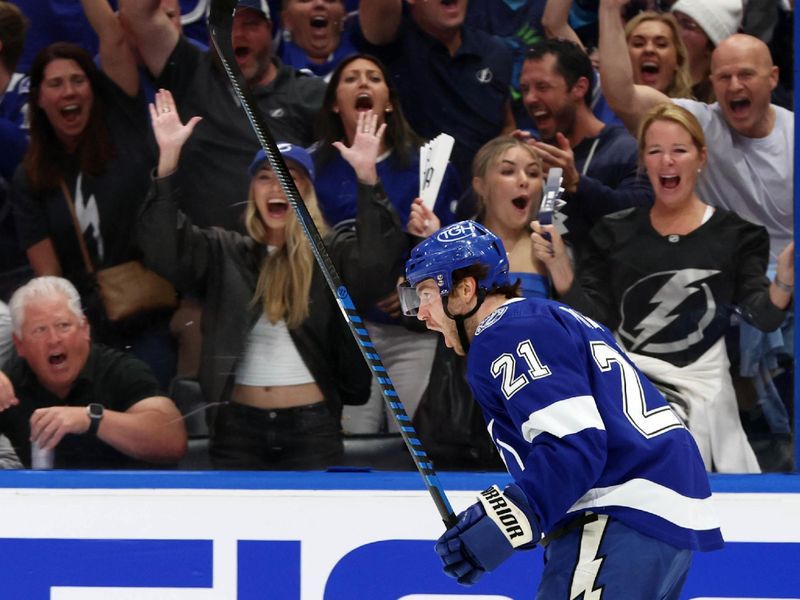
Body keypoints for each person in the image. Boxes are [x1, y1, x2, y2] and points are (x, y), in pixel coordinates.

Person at [399, 219, 723, 594]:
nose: (421, 313)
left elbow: (575, 444)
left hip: (616, 514)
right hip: (653, 522)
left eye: (425, 293)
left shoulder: (504, 332)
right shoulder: (550, 317)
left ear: (465, 290)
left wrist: (510, 517)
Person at [137, 89, 408, 468]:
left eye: (289, 178)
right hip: (237, 429)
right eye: (265, 178)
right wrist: (166, 163)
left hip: (312, 426)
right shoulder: (224, 251)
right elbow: (163, 249)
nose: (277, 187)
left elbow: (378, 267)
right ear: (252, 192)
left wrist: (367, 178)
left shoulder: (332, 254)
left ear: (309, 191)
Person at [532, 102, 793, 472]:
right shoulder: (612, 232)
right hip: (629, 387)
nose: (667, 161)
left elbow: (761, 316)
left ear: (701, 157)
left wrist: (784, 278)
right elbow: (595, 319)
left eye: (679, 151)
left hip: (706, 392)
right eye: (655, 151)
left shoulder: (738, 235)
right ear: (643, 160)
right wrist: (559, 266)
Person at [9, 41, 177, 388]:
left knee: (149, 398)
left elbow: (113, 34)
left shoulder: (125, 134)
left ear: (93, 88)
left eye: (78, 80)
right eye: (55, 84)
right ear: (38, 98)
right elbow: (49, 277)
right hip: (85, 328)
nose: (68, 91)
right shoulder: (30, 178)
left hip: (150, 314)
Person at [313, 53, 459, 434]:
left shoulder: (425, 165)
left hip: (409, 330)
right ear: (333, 101)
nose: (363, 84)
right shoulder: (313, 167)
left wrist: (412, 291)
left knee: (413, 448)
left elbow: (448, 252)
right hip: (344, 334)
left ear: (390, 100)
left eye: (374, 77)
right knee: (353, 442)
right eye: (351, 78)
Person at [599, 0, 792, 270]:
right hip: (720, 281)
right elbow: (623, 97)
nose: (735, 86)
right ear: (712, 82)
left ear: (772, 78)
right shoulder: (698, 122)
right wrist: (608, 10)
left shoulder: (792, 136)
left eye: (746, 75)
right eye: (724, 77)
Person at [120, 0, 326, 231]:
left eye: (250, 24)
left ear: (269, 29)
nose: (237, 34)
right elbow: (135, 11)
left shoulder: (306, 93)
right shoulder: (189, 71)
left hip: (282, 254)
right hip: (207, 256)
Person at [0, 276, 187, 469]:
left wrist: (92, 419)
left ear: (85, 329)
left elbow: (173, 440)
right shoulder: (12, 385)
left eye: (63, 326)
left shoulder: (120, 370)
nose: (53, 339)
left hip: (130, 495)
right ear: (19, 344)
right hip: (49, 497)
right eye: (40, 330)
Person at [517, 38, 653, 257]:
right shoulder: (536, 155)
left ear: (579, 88)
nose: (530, 99)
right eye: (524, 89)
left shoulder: (624, 149)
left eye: (542, 87)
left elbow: (640, 216)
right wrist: (503, 166)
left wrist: (577, 183)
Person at [357, 0, 515, 186]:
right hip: (412, 196)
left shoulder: (495, 53)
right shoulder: (391, 42)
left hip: (481, 195)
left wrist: (510, 149)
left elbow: (507, 125)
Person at [670, 0, 743, 103]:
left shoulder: (724, 103)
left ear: (711, 46)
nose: (674, 30)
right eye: (673, 22)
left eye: (687, 25)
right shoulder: (660, 81)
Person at [277, 0, 359, 78]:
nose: (319, 4)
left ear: (343, 15)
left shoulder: (361, 49)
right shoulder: (276, 57)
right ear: (287, 19)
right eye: (306, 0)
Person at [623, 10, 693, 99]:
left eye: (661, 44)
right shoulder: (601, 106)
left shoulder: (692, 111)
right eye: (638, 44)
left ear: (678, 61)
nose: (649, 49)